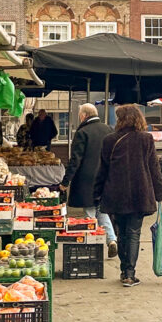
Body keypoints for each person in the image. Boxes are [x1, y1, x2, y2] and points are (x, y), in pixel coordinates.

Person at [93, 104, 162, 287]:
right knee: (133, 233)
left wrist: (97, 193)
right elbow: (154, 168)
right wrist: (159, 193)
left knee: (121, 232)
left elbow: (102, 170)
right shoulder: (146, 139)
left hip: (115, 193)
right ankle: (129, 274)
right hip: (139, 193)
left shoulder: (109, 140)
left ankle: (125, 269)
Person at [61, 103, 118, 259]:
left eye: (80, 115)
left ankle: (94, 243)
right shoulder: (108, 129)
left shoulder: (83, 132)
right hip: (106, 178)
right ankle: (111, 240)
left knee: (90, 213)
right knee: (102, 210)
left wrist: (66, 181)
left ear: (84, 115)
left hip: (87, 180)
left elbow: (75, 160)